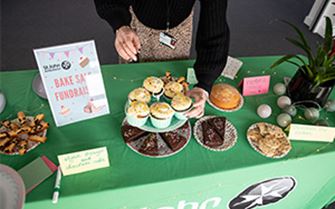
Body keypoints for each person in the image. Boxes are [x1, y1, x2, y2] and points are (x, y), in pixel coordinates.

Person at [94, 0, 230, 118]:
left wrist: (204, 85)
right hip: (135, 27)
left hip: (180, 29)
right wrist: (120, 25)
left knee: (173, 86)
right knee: (131, 90)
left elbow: (215, 24)